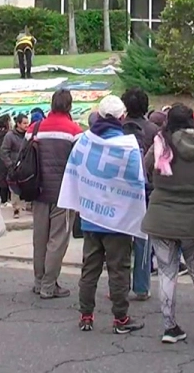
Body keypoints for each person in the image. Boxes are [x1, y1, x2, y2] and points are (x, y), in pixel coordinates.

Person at [143, 103, 194, 343]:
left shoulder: (160, 144)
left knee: (167, 273)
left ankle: (170, 327)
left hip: (162, 215)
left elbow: (147, 170)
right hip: (193, 217)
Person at [72, 96, 145, 334]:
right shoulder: (128, 146)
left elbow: (75, 174)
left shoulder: (84, 142)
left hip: (91, 216)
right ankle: (121, 319)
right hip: (118, 220)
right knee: (119, 269)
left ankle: (86, 316)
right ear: (122, 117)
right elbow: (138, 181)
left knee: (89, 269)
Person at [28, 89, 83, 299]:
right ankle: (49, 285)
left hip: (38, 190)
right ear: (69, 106)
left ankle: (38, 280)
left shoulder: (35, 128)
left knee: (39, 238)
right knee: (57, 240)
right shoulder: (74, 131)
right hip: (63, 192)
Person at [121, 87, 160, 302]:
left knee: (120, 239)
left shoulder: (118, 128)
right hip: (146, 190)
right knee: (143, 239)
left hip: (121, 190)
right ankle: (142, 286)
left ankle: (119, 284)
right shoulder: (153, 130)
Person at [0, 113, 28, 218]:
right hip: (14, 167)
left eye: (27, 123)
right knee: (14, 188)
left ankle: (27, 205)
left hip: (26, 167)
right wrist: (10, 165)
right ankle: (16, 209)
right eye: (24, 123)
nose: (26, 125)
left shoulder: (28, 135)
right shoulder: (10, 136)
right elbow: (3, 151)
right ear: (18, 123)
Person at [0, 115, 12, 204]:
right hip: (4, 161)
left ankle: (4, 200)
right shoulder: (6, 135)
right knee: (5, 181)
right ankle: (5, 200)